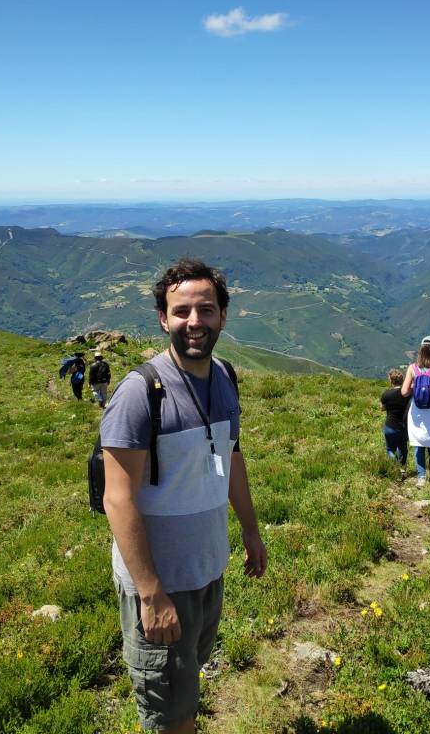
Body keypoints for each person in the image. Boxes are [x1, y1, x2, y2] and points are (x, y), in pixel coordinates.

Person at [100, 257, 267, 734]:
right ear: (163, 319)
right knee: (170, 716)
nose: (195, 321)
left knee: (186, 687)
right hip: (161, 583)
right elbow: (118, 499)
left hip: (207, 572)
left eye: (206, 310)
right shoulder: (139, 394)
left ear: (223, 316)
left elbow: (231, 457)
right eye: (182, 311)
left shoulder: (225, 377)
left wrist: (250, 530)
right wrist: (151, 592)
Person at [401, 335, 430, 487]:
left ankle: (421, 477)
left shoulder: (412, 368)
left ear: (421, 350)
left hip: (417, 410)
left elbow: (404, 392)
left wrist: (415, 387)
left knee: (418, 443)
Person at [380, 368, 409, 469]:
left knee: (390, 449)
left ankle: (396, 467)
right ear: (402, 380)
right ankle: (401, 468)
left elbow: (382, 408)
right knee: (403, 449)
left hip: (390, 426)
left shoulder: (386, 394)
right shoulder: (407, 394)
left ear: (391, 381)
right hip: (403, 426)